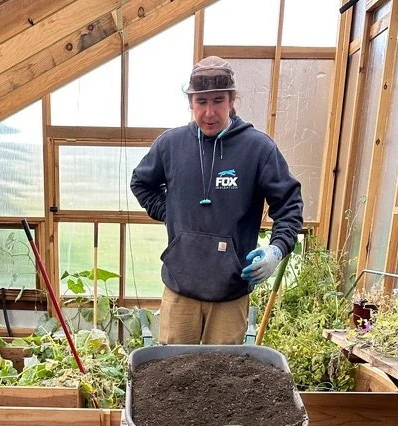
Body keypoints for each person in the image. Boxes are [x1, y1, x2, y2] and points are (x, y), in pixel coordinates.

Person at [130, 56, 303, 345]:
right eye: (201, 102)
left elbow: (289, 206)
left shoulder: (258, 149)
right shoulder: (170, 145)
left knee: (223, 379)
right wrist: (172, 213)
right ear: (191, 103)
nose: (209, 112)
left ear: (232, 100)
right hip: (179, 290)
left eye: (218, 101)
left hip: (230, 292)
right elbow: (141, 183)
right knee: (173, 377)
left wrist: (276, 250)